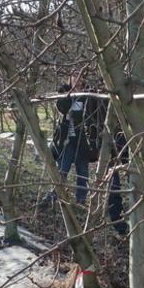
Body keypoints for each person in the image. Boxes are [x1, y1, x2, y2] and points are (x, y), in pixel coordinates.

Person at [43, 70, 103, 206]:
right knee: (62, 168)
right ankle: (54, 195)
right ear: (70, 77)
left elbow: (93, 114)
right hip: (67, 139)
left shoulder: (89, 94)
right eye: (75, 76)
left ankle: (81, 199)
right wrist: (69, 95)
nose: (77, 79)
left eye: (80, 76)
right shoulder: (64, 91)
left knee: (82, 171)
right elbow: (62, 108)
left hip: (83, 140)